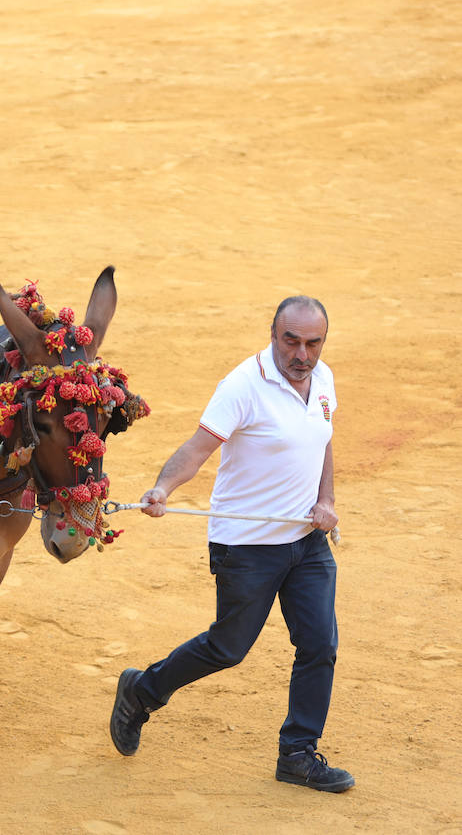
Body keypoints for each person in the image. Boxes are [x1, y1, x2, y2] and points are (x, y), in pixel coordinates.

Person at [109, 296, 352, 792]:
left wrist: (326, 498)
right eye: (291, 341)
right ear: (272, 334)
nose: (301, 354)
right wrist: (162, 489)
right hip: (248, 547)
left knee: (320, 644)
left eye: (312, 343)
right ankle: (143, 690)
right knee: (228, 647)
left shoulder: (322, 378)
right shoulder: (243, 385)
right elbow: (197, 449)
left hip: (306, 541)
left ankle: (298, 755)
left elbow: (323, 439)